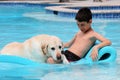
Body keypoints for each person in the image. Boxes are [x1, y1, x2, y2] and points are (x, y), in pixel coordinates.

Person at [47, 7, 111, 64]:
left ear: (90, 21)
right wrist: (57, 45)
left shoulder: (93, 34)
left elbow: (108, 42)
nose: (80, 27)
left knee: (50, 60)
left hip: (73, 58)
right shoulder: (78, 33)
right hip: (66, 53)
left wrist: (96, 47)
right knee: (48, 57)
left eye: (82, 25)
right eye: (78, 24)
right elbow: (68, 44)